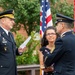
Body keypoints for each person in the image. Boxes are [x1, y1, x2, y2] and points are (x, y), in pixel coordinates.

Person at [0, 9, 25, 75]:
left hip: (12, 71)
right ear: (3, 21)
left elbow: (8, 52)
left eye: (13, 20)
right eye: (11, 20)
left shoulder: (10, 34)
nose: (13, 22)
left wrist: (18, 51)